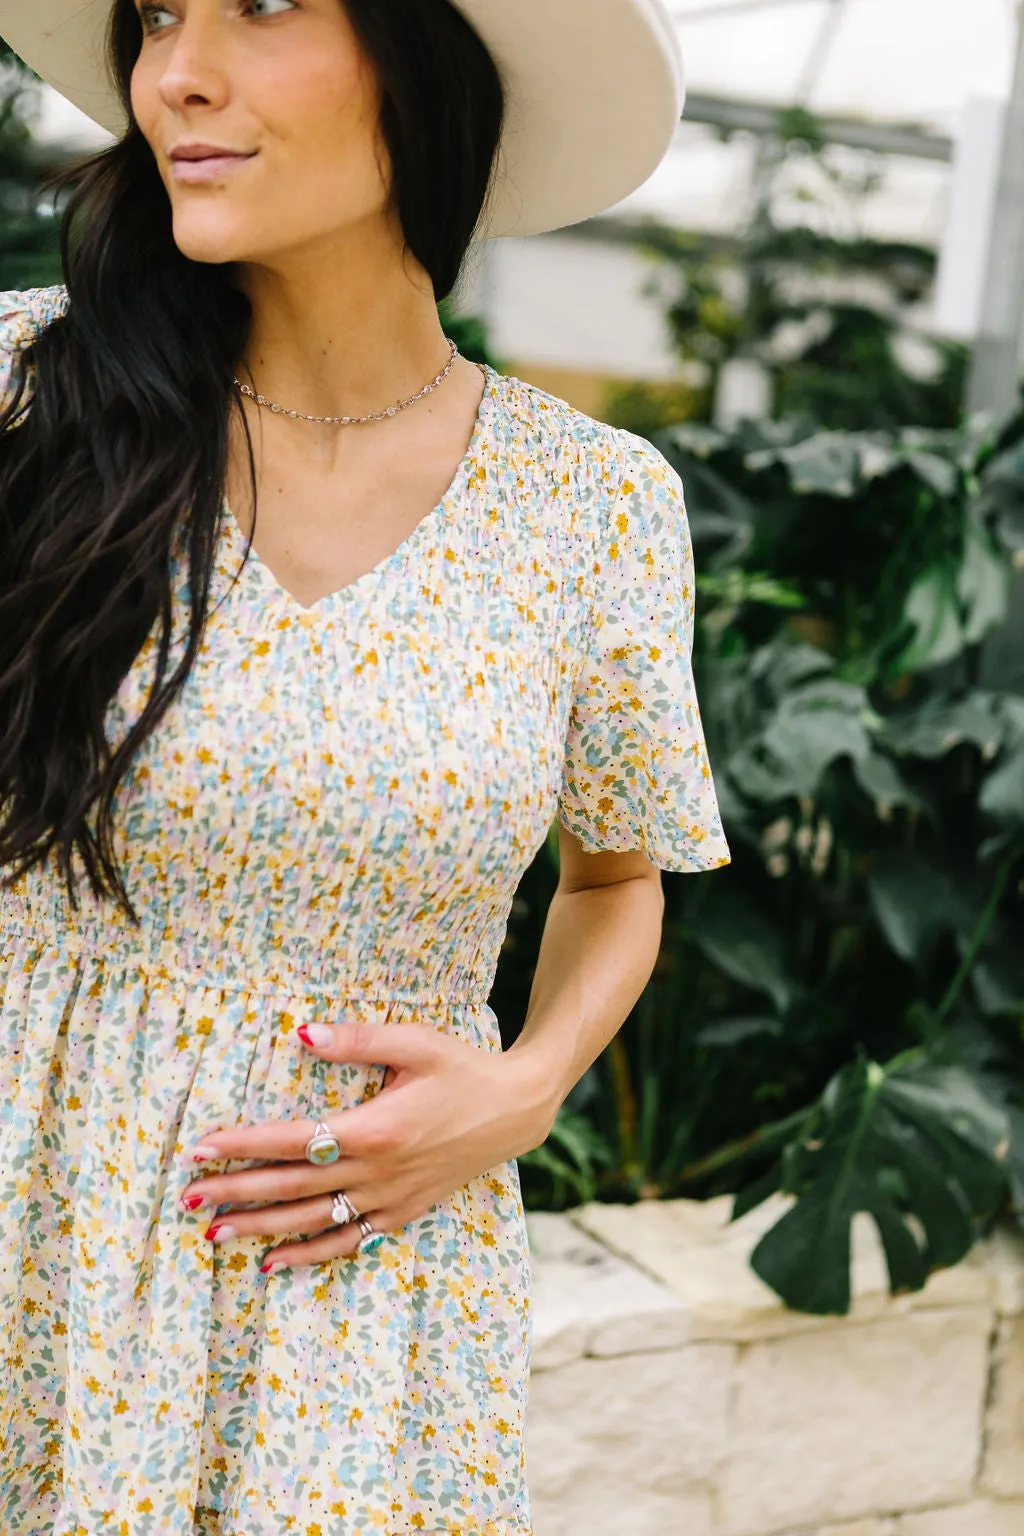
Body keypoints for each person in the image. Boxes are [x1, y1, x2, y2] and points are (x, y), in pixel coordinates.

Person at [0, 0, 730, 1530]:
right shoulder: (28, 401)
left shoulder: (592, 509)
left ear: (422, 60)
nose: (176, 72)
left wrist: (526, 1089)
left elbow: (617, 875)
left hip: (361, 1297)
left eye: (260, 5)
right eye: (154, 17)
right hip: (30, 1227)